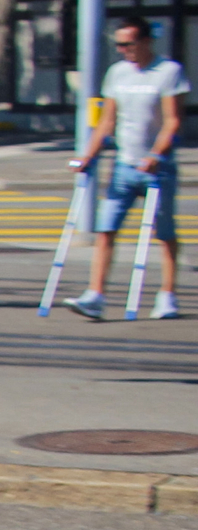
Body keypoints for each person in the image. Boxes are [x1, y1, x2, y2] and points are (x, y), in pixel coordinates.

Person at [63, 18, 185, 321]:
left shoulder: (169, 72)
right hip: (124, 165)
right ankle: (95, 295)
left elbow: (172, 120)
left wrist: (157, 153)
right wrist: (87, 156)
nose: (123, 50)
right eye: (118, 44)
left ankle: (167, 295)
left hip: (158, 167)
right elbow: (107, 120)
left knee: (164, 232)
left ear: (146, 41)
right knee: (106, 229)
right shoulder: (117, 73)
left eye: (128, 44)